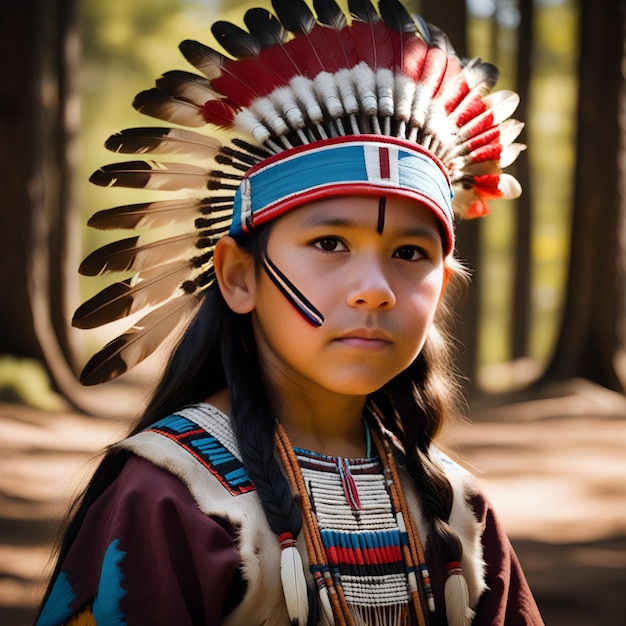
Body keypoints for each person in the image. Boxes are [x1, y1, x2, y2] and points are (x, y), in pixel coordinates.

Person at [36, 0, 543, 624]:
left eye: (411, 252)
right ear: (238, 275)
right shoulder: (172, 494)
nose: (374, 289)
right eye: (329, 244)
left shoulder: (458, 510)